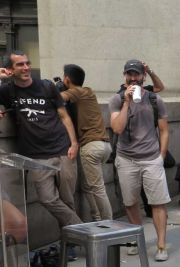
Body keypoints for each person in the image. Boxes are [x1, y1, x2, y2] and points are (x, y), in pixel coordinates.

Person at [0, 51, 83, 235]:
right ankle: (82, 231)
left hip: (63, 150)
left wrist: (74, 144)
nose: (26, 67)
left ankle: (69, 243)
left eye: (27, 63)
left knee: (67, 201)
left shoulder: (46, 86)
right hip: (36, 156)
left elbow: (64, 116)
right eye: (20, 65)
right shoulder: (7, 91)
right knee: (47, 199)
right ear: (10, 70)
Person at [109, 59, 171, 262]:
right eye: (130, 74)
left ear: (143, 76)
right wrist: (127, 102)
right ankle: (137, 238)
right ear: (124, 76)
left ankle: (161, 245)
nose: (133, 78)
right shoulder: (117, 99)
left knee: (158, 203)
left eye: (137, 74)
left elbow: (164, 130)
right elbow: (117, 128)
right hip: (126, 159)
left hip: (151, 158)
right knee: (130, 202)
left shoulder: (154, 99)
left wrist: (161, 156)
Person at [59, 64, 113, 221]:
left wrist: (53, 89)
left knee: (97, 188)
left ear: (67, 79)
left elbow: (59, 99)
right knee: (88, 186)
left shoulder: (77, 91)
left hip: (91, 147)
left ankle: (108, 224)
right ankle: (97, 219)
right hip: (104, 146)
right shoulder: (88, 92)